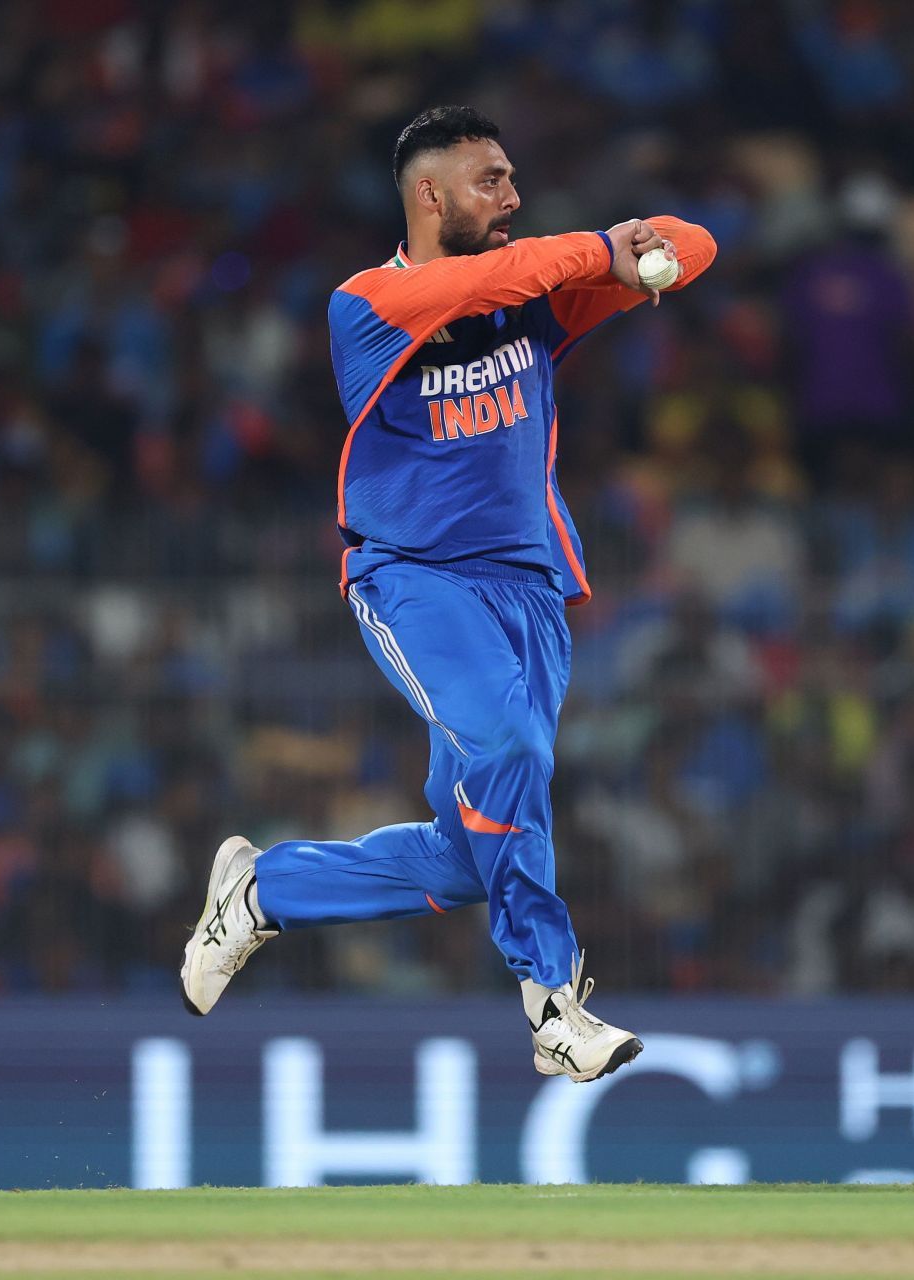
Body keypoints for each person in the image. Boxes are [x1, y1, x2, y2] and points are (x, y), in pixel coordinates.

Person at [180, 106, 716, 1081]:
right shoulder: (365, 304)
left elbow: (698, 243)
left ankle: (265, 889)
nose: (512, 197)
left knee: (472, 854)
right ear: (430, 195)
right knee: (511, 749)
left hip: (533, 593)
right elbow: (484, 278)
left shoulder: (533, 297)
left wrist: (647, 256)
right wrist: (600, 247)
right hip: (417, 580)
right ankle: (555, 1004)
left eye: (513, 179)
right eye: (491, 181)